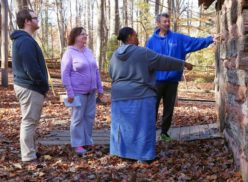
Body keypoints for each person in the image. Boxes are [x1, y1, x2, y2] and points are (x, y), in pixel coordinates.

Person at [109, 27, 193, 163]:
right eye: (136, 36)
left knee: (122, 125)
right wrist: (183, 64)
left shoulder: (114, 55)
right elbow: (162, 61)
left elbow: (112, 74)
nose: (138, 39)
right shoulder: (142, 52)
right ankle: (143, 156)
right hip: (141, 94)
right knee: (143, 126)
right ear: (130, 37)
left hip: (119, 95)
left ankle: (121, 152)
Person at [146, 13, 220, 142]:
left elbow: (194, 42)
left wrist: (210, 39)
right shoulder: (151, 41)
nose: (167, 24)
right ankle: (149, 133)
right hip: (156, 81)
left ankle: (164, 133)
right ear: (158, 23)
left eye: (168, 21)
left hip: (172, 81)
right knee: (152, 108)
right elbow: (147, 60)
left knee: (169, 108)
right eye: (164, 21)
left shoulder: (177, 38)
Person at [10, 9, 49, 162]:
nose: (37, 20)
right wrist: (43, 85)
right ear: (27, 21)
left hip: (28, 86)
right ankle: (28, 156)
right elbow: (31, 68)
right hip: (30, 86)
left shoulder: (24, 39)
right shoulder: (25, 41)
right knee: (29, 121)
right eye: (35, 18)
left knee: (32, 121)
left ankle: (30, 151)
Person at [61, 27, 103, 156]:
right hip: (77, 92)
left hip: (91, 91)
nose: (85, 36)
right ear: (75, 37)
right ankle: (78, 144)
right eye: (82, 34)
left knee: (89, 117)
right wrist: (70, 92)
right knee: (77, 119)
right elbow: (65, 74)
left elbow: (96, 71)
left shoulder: (88, 51)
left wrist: (100, 88)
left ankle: (87, 141)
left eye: (86, 34)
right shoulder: (69, 53)